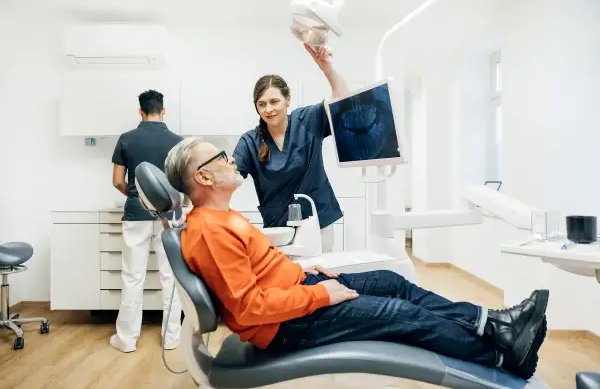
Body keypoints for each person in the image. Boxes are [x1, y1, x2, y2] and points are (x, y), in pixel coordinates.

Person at [164, 138, 549, 381]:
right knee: (399, 313)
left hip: (297, 293)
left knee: (390, 280)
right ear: (205, 178)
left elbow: (259, 271)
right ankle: (501, 355)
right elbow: (248, 310)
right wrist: (322, 296)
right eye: (220, 156)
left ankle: (491, 323)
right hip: (285, 326)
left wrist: (303, 272)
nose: (231, 159)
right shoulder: (209, 232)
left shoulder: (222, 217)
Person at [232, 44, 349, 253]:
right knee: (288, 282)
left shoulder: (308, 120)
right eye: (261, 104)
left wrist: (328, 70)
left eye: (274, 101)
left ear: (287, 100)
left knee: (322, 276)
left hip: (318, 220)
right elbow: (230, 176)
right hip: (279, 230)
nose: (268, 109)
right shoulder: (250, 142)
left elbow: (342, 102)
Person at [110, 89, 184, 353]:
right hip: (170, 217)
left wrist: (137, 195)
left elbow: (118, 180)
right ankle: (172, 338)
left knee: (132, 277)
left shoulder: (126, 139)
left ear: (140, 112)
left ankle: (127, 340)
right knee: (171, 277)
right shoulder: (178, 141)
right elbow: (183, 185)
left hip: (136, 215)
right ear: (163, 111)